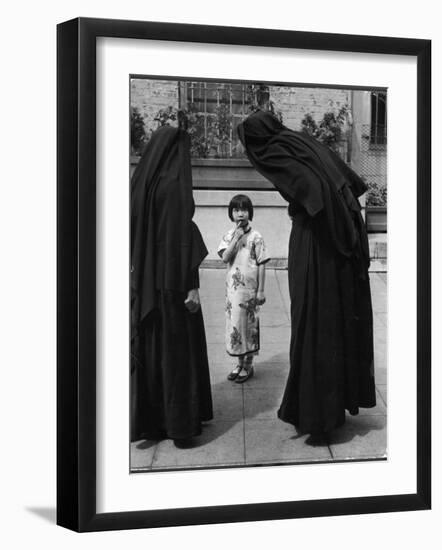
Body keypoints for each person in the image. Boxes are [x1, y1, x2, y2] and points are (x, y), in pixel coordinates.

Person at [237, 109, 376, 436]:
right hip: (336, 241)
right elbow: (342, 186)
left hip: (317, 242)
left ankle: (317, 414)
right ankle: (326, 408)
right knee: (329, 318)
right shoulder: (301, 143)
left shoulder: (279, 151)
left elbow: (314, 194)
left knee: (313, 320)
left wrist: (310, 217)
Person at [130, 124, 213, 445]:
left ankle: (153, 423)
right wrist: (192, 284)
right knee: (177, 355)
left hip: (149, 283)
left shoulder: (142, 183)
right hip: (174, 284)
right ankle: (180, 424)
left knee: (154, 352)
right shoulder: (175, 184)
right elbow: (181, 237)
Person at [217, 194, 270, 383]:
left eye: (244, 210)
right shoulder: (228, 235)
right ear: (231, 213)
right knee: (235, 325)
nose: (240, 214)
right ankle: (239, 363)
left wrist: (261, 290)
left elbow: (262, 263)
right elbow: (225, 258)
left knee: (249, 326)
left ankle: (248, 364)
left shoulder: (257, 237)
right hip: (233, 292)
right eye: (236, 210)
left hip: (250, 291)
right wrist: (236, 239)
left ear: (250, 212)